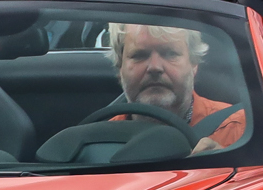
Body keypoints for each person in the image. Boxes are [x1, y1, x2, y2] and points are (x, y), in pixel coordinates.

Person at [105, 21, 247, 154]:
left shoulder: (239, 129)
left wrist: (231, 169)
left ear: (194, 64)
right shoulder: (102, 139)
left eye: (170, 53)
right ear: (119, 67)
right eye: (139, 55)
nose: (155, 67)